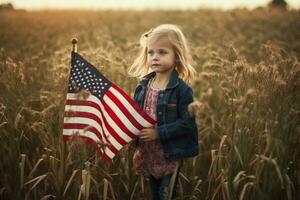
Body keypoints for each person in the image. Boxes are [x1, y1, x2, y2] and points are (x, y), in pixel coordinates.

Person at [128, 24, 199, 200]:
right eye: (150, 52)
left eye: (162, 52)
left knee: (165, 195)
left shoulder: (182, 90)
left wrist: (159, 132)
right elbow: (136, 116)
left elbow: (188, 124)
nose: (155, 57)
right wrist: (132, 136)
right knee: (155, 195)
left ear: (177, 56)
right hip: (149, 153)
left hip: (169, 155)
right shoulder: (143, 87)